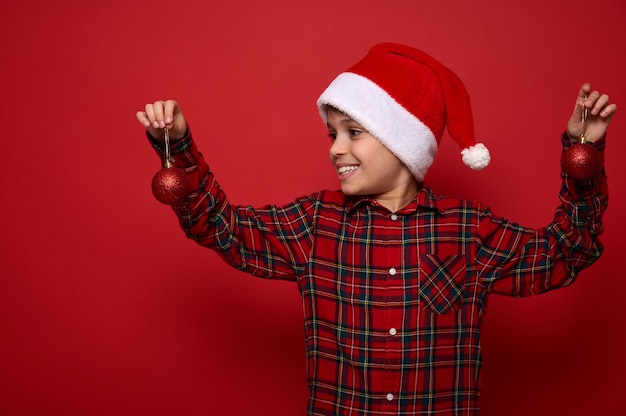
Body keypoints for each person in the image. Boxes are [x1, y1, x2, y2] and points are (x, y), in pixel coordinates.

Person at [136, 43, 616, 415]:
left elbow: (566, 251)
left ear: (403, 141)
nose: (335, 149)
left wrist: (582, 158)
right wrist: (176, 147)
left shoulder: (468, 232)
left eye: (354, 132)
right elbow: (223, 229)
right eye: (332, 134)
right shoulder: (313, 225)